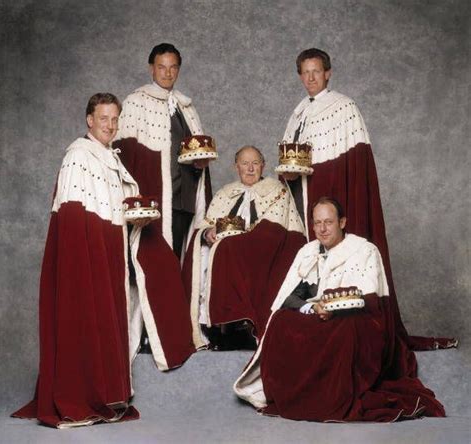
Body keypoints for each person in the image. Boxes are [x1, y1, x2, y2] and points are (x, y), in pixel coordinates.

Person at [11, 93, 194, 429]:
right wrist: (82, 263)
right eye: (104, 119)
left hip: (110, 248)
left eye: (114, 119)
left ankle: (109, 391)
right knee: (85, 318)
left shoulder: (111, 156)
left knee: (123, 308)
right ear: (89, 120)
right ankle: (84, 393)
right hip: (88, 253)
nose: (110, 125)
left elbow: (118, 206)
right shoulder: (79, 155)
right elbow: (71, 216)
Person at [279, 47, 455, 352]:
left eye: (316, 71)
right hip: (306, 200)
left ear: (328, 73)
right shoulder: (299, 113)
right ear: (299, 76)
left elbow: (355, 169)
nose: (310, 78)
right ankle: (311, 319)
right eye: (305, 73)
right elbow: (291, 165)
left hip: (331, 200)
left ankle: (338, 327)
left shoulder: (344, 107)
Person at [234, 197, 446, 422]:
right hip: (319, 315)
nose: (322, 229)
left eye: (328, 222)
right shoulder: (308, 252)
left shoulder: (364, 250)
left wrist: (334, 309)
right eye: (317, 223)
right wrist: (312, 307)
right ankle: (297, 393)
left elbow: (370, 301)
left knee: (345, 330)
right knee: (281, 321)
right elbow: (289, 296)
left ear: (342, 222)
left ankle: (328, 397)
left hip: (355, 318)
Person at [182, 146, 305, 349]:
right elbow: (205, 224)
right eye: (245, 164)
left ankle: (243, 323)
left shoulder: (276, 189)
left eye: (255, 163)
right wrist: (207, 232)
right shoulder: (225, 193)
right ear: (236, 167)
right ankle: (214, 326)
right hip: (228, 248)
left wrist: (242, 240)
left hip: (265, 250)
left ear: (263, 166)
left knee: (230, 249)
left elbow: (275, 228)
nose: (250, 168)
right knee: (205, 252)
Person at [114, 43, 212, 259]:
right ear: (151, 68)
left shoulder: (186, 107)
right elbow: (123, 156)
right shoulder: (136, 102)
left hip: (184, 202)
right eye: (162, 67)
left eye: (173, 67)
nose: (168, 73)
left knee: (179, 261)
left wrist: (199, 165)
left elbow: (196, 154)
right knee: (153, 264)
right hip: (154, 199)